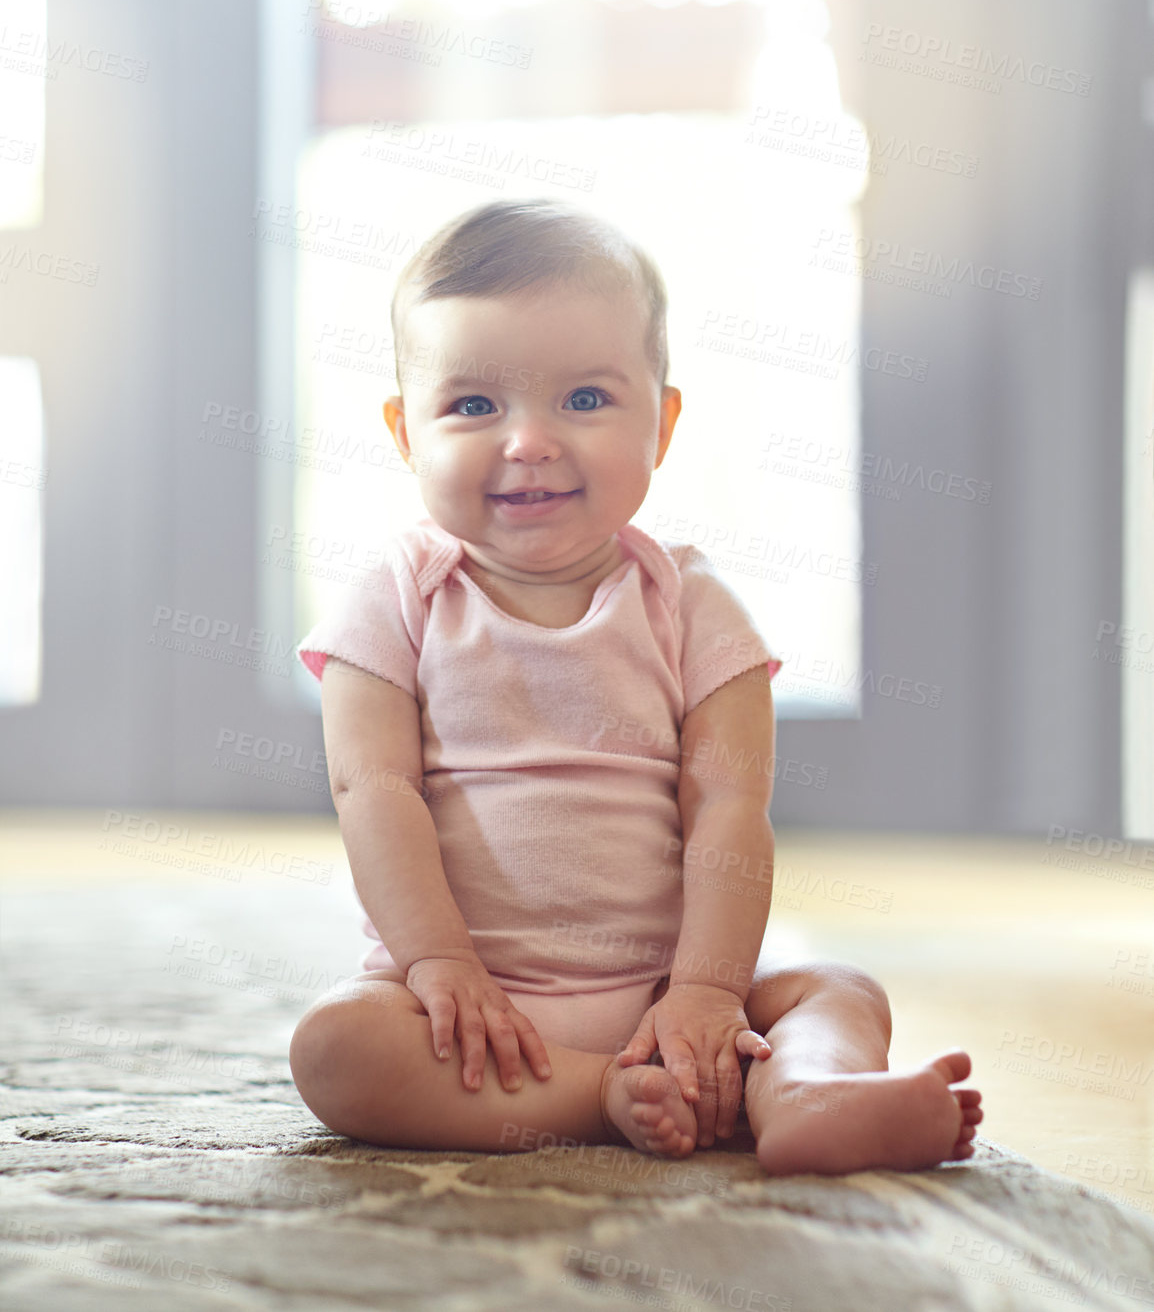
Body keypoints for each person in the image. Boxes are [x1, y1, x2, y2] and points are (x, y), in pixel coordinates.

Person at [289, 197, 982, 1174]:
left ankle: (803, 1090)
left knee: (832, 987)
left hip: (670, 991)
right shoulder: (395, 600)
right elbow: (373, 792)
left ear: (659, 422)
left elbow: (730, 808)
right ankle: (598, 1095)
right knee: (337, 1046)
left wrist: (704, 990)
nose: (526, 440)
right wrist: (437, 961)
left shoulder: (690, 606)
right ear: (406, 432)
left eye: (581, 400)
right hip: (476, 1005)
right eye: (474, 405)